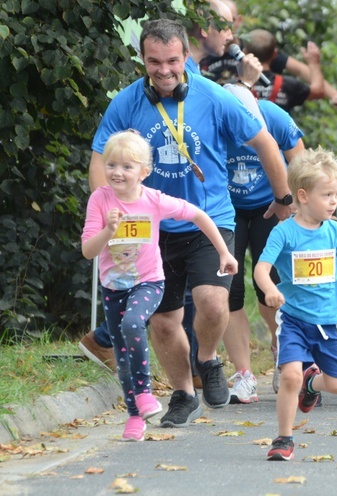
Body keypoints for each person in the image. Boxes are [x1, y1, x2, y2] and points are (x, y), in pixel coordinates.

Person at [89, 18, 293, 428]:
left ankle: (208, 358)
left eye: (172, 61)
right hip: (150, 229)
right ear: (143, 60)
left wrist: (284, 199)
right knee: (163, 322)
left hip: (208, 221)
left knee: (214, 301)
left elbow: (266, 142)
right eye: (154, 62)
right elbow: (99, 160)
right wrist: (106, 211)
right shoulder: (127, 102)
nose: (164, 71)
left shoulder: (215, 97)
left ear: (186, 57)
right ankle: (183, 393)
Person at [81, 131, 238, 441]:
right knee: (123, 354)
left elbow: (198, 215)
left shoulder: (152, 199)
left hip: (149, 282)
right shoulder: (100, 199)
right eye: (112, 165)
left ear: (144, 171)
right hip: (114, 287)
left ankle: (145, 395)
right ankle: (135, 416)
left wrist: (223, 252)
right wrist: (108, 230)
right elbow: (88, 251)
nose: (117, 172)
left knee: (134, 322)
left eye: (127, 167)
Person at [255, 147, 337, 461]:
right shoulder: (284, 232)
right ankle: (284, 438)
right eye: (327, 195)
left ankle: (312, 384)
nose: (335, 201)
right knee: (289, 376)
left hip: (331, 321)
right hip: (294, 320)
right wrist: (271, 290)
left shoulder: (336, 232)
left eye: (336, 194)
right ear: (303, 196)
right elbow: (262, 269)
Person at [221, 91, 306, 403]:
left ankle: (281, 348)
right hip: (227, 208)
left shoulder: (274, 116)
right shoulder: (214, 115)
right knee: (228, 290)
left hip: (271, 205)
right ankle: (244, 374)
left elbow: (302, 164)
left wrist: (291, 200)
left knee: (271, 288)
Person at [200, 0, 337, 105]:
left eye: (231, 22)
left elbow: (300, 70)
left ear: (239, 21)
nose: (227, 30)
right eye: (220, 22)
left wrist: (334, 94)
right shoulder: (204, 49)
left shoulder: (254, 47)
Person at [242, 29, 325, 113]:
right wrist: (314, 64)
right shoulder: (289, 85)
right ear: (275, 54)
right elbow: (318, 91)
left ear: (244, 53)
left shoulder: (235, 86)